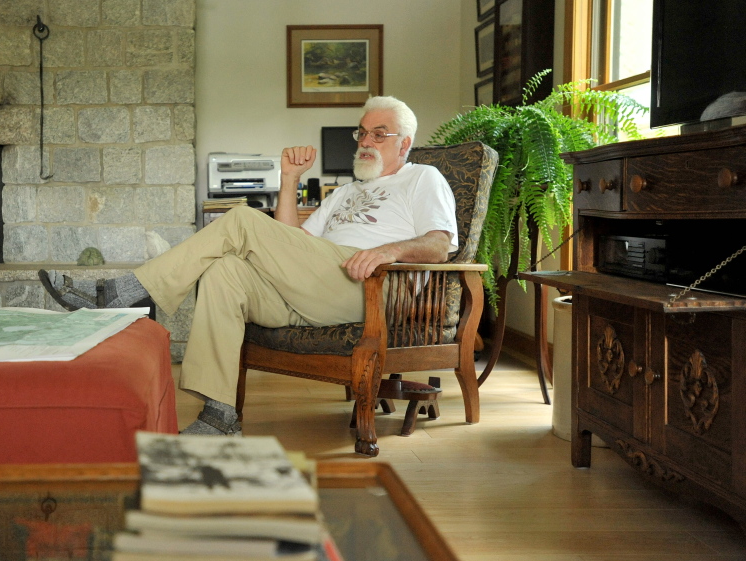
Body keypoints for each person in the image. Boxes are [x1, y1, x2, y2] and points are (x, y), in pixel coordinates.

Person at [39, 95, 458, 436]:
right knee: (225, 272)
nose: (366, 141)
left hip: (366, 287)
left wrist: (387, 251)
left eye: (379, 134)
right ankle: (219, 415)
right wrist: (290, 179)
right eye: (362, 132)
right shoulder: (345, 191)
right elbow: (293, 242)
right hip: (315, 287)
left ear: (404, 143)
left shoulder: (423, 178)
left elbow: (440, 245)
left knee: (240, 219)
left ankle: (120, 294)